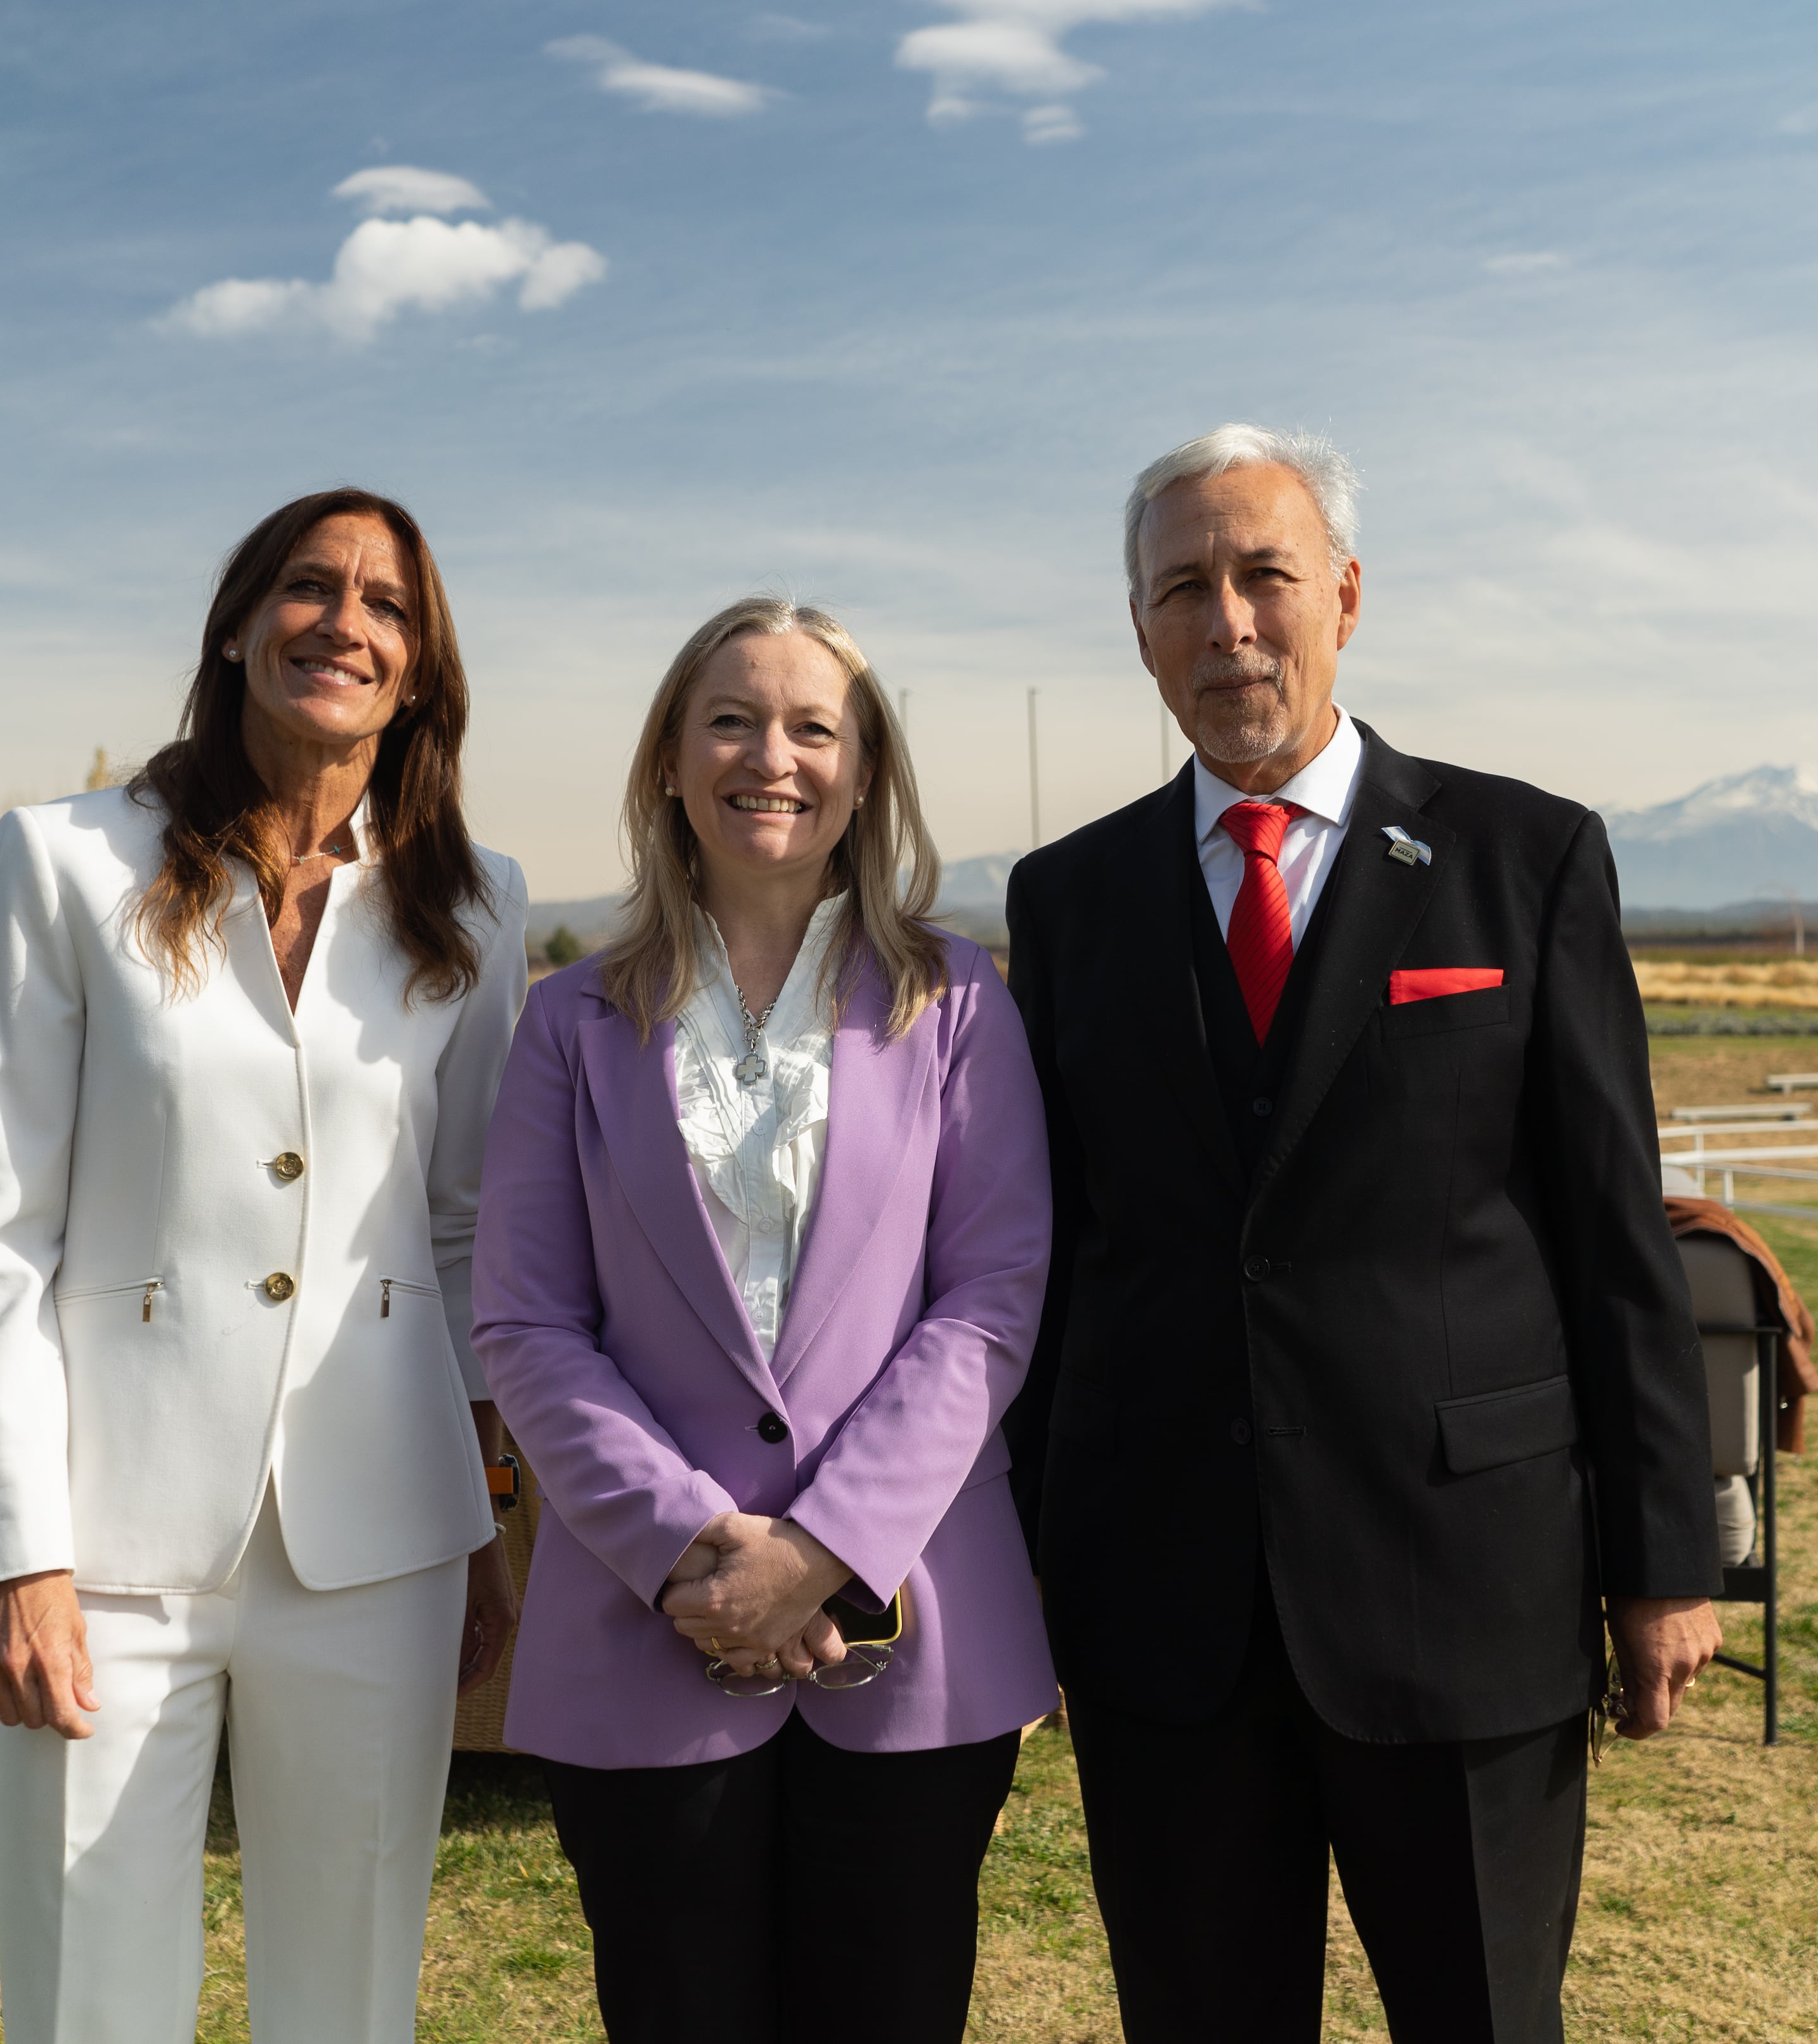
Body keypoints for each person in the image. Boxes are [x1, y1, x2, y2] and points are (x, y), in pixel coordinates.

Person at [1002, 426, 1722, 2044]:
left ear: (1344, 594)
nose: (1228, 622)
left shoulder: (1521, 857)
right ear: (1139, 630)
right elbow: (1050, 1261)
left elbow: (1613, 1236)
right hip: (1161, 1600)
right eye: (1182, 588)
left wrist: (1666, 1562)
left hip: (1463, 1589)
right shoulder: (1068, 900)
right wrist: (1023, 1564)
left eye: (1264, 575)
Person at [0, 488, 529, 2044]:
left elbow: (463, 1226)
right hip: (100, 1539)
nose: (345, 620)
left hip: (383, 1530)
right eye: (308, 586)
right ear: (235, 623)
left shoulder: (476, 900)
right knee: (89, 1993)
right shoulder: (63, 862)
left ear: (420, 670)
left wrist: (477, 1517)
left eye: (387, 604)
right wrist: (10, 1545)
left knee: (350, 1988)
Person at [471, 596, 1056, 2044]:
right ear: (669, 759)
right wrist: (691, 1544)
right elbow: (529, 1322)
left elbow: (991, 1301)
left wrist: (824, 1548)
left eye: (813, 725)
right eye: (730, 718)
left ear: (866, 771)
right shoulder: (570, 1023)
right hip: (646, 1623)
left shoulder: (958, 999)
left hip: (909, 1625)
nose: (770, 755)